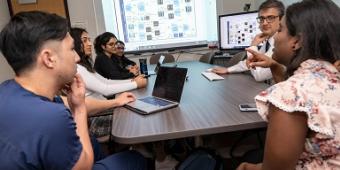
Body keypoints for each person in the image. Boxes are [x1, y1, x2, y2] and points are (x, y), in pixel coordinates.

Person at [0, 11, 146, 169]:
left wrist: (116, 101)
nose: (77, 57)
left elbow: (66, 102)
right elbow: (83, 166)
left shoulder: (8, 89)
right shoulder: (51, 116)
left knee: (92, 142)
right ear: (49, 59)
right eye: (71, 49)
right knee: (134, 159)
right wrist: (79, 109)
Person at [237, 0, 340, 169]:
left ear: (297, 41)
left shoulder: (290, 94)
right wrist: (275, 66)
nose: (275, 37)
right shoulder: (332, 77)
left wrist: (250, 168)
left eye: (280, 30)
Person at [212, 0, 284, 82]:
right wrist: (228, 70)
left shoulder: (282, 44)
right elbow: (248, 62)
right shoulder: (268, 41)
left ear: (281, 19)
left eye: (270, 18)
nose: (264, 23)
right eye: (261, 18)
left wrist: (253, 46)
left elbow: (259, 75)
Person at [70, 28, 147, 100]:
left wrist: (132, 81)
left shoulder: (86, 65)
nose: (90, 44)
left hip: (104, 102)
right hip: (104, 106)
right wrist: (135, 83)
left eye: (89, 40)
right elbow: (106, 88)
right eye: (85, 41)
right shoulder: (80, 67)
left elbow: (106, 81)